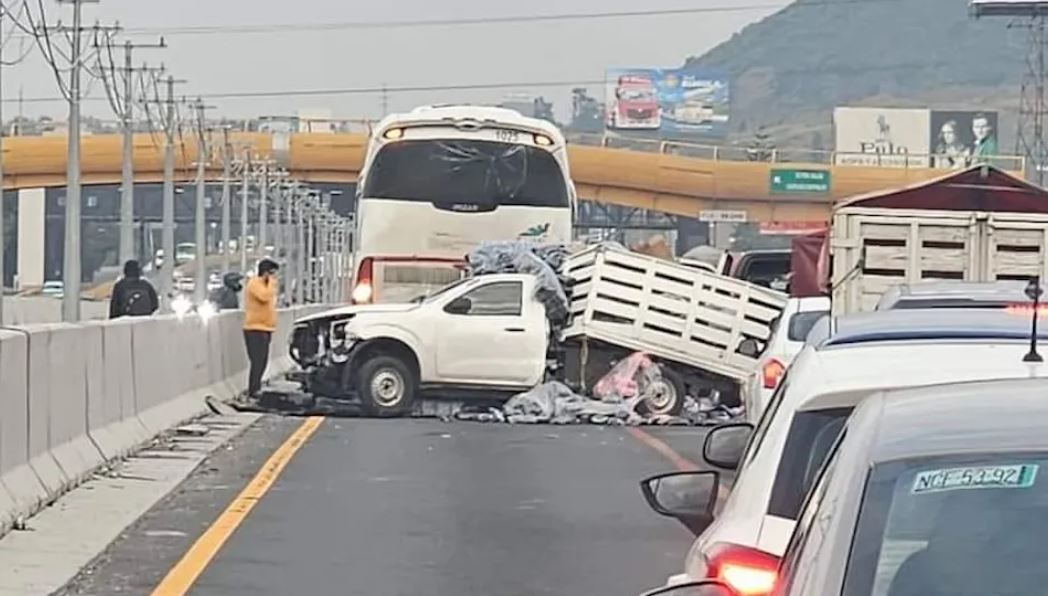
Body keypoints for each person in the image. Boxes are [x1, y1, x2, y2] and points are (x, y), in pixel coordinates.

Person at [243, 258, 279, 399]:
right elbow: (264, 297)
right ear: (266, 273)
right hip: (254, 328)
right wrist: (271, 282)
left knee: (263, 361)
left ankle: (257, 387)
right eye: (273, 273)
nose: (275, 277)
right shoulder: (254, 283)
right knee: (257, 361)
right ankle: (253, 390)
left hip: (266, 328)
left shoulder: (267, 285)